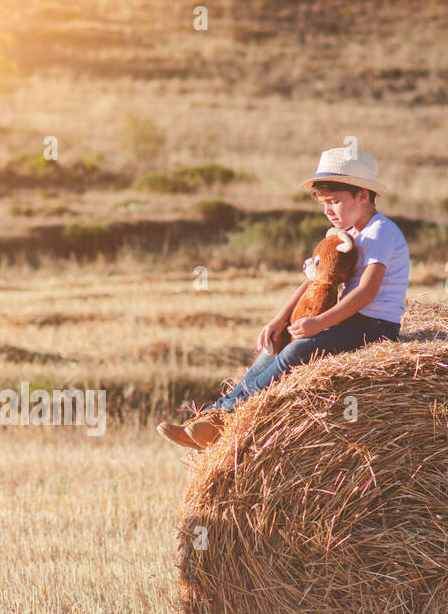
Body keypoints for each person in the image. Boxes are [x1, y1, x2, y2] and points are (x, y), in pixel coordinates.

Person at [158, 146, 409, 450]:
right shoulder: (345, 236)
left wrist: (318, 323)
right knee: (276, 346)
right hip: (348, 319)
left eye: (335, 202)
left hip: (375, 325)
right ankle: (214, 418)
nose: (328, 210)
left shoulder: (381, 231)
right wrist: (279, 319)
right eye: (324, 203)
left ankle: (227, 419)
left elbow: (366, 292)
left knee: (296, 352)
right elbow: (316, 283)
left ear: (363, 196)